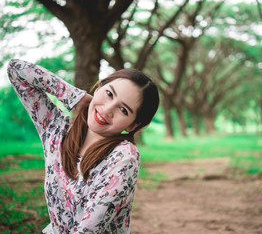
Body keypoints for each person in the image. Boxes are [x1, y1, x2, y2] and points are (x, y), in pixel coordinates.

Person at [7, 59, 159, 233]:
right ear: (99, 87)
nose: (108, 109)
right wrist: (73, 96)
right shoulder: (56, 129)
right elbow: (16, 69)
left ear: (132, 125)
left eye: (123, 110)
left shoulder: (124, 156)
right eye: (109, 94)